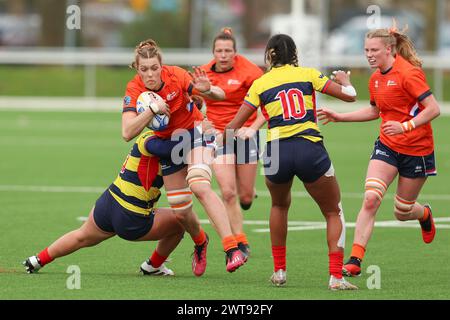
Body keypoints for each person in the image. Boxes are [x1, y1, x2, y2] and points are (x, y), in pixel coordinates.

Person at [226, 34, 359, 290]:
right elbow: (349, 96)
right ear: (294, 54)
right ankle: (335, 277)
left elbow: (233, 126)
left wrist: (219, 143)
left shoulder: (260, 83)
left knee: (279, 206)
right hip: (309, 147)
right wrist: (346, 82)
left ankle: (279, 272)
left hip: (276, 152)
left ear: (270, 54)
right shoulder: (309, 74)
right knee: (333, 211)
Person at [317, 25, 440, 277]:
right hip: (387, 146)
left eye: (374, 50)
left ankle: (424, 213)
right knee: (371, 198)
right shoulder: (375, 78)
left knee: (402, 211)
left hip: (417, 150)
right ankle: (355, 259)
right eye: (366, 50)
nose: (369, 55)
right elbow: (375, 112)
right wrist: (341, 116)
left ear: (389, 49)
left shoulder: (409, 74)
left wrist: (406, 125)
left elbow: (433, 109)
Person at [121, 39, 246, 275]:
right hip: (170, 145)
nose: (150, 74)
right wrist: (151, 110)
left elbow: (219, 95)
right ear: (137, 69)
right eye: (144, 69)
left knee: (199, 184)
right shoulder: (134, 89)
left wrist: (208, 89)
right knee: (180, 212)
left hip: (195, 132)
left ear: (162, 66)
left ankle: (232, 248)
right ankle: (200, 242)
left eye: (154, 68)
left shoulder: (176, 76)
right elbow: (127, 133)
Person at [24, 130, 185, 276]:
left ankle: (37, 260)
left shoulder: (148, 135)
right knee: (181, 220)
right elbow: (170, 149)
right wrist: (199, 134)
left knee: (81, 236)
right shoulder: (159, 144)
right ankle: (153, 266)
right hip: (131, 215)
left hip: (109, 201)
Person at [198, 27, 264, 260]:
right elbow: (193, 106)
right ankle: (239, 240)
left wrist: (252, 128)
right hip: (219, 137)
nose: (223, 55)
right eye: (219, 51)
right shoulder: (204, 74)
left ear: (235, 53)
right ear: (213, 52)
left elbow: (267, 106)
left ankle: (249, 194)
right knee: (228, 192)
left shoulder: (250, 71)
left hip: (245, 134)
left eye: (228, 51)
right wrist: (205, 124)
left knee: (244, 196)